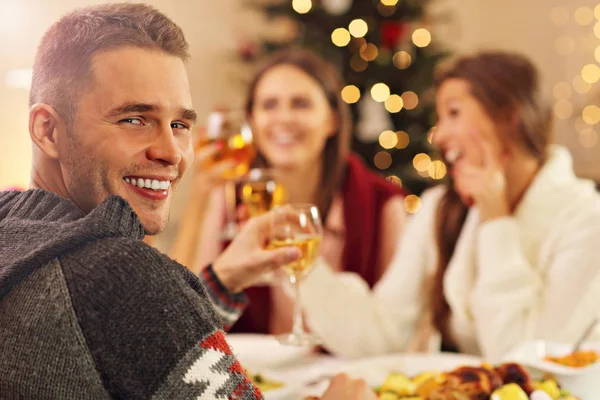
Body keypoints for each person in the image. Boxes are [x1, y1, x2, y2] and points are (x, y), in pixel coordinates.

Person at [0, 4, 375, 399]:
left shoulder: (15, 237)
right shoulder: (119, 272)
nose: (172, 153)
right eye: (134, 119)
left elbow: (135, 339)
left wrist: (224, 279)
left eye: (180, 125)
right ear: (47, 130)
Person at [291, 51, 600, 362]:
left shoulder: (587, 220)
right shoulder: (440, 207)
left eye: (454, 113)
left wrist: (496, 219)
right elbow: (381, 336)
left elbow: (525, 362)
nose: (438, 135)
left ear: (510, 116)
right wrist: (305, 264)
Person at [176, 49, 406, 335]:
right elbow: (183, 305)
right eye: (269, 105)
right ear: (252, 121)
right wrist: (200, 194)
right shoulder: (231, 197)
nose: (283, 118)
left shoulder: (382, 203)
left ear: (332, 120)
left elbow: (399, 326)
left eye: (301, 104)